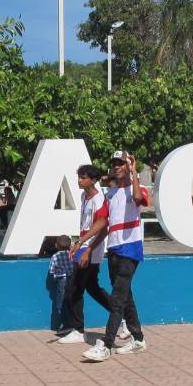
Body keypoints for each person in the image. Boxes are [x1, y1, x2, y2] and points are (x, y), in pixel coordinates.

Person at [84, 151, 148, 361]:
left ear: (128, 166)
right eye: (114, 163)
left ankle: (106, 344)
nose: (116, 166)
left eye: (121, 163)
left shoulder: (136, 189)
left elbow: (138, 199)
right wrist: (84, 244)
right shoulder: (110, 194)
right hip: (113, 249)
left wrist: (135, 173)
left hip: (130, 249)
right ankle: (138, 339)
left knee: (118, 298)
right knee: (125, 294)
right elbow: (102, 223)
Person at [56, 164, 123, 344]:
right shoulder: (83, 196)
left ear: (93, 180)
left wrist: (88, 250)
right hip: (83, 245)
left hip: (92, 249)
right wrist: (78, 243)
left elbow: (103, 229)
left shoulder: (99, 199)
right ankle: (121, 317)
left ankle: (78, 330)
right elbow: (86, 227)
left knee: (74, 288)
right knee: (92, 286)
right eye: (78, 177)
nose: (79, 180)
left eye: (83, 177)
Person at [46, 235, 73, 331]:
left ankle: (65, 325)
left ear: (56, 246)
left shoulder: (55, 256)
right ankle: (72, 323)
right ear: (70, 245)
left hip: (61, 281)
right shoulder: (72, 254)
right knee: (70, 301)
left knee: (60, 303)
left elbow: (51, 270)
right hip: (71, 280)